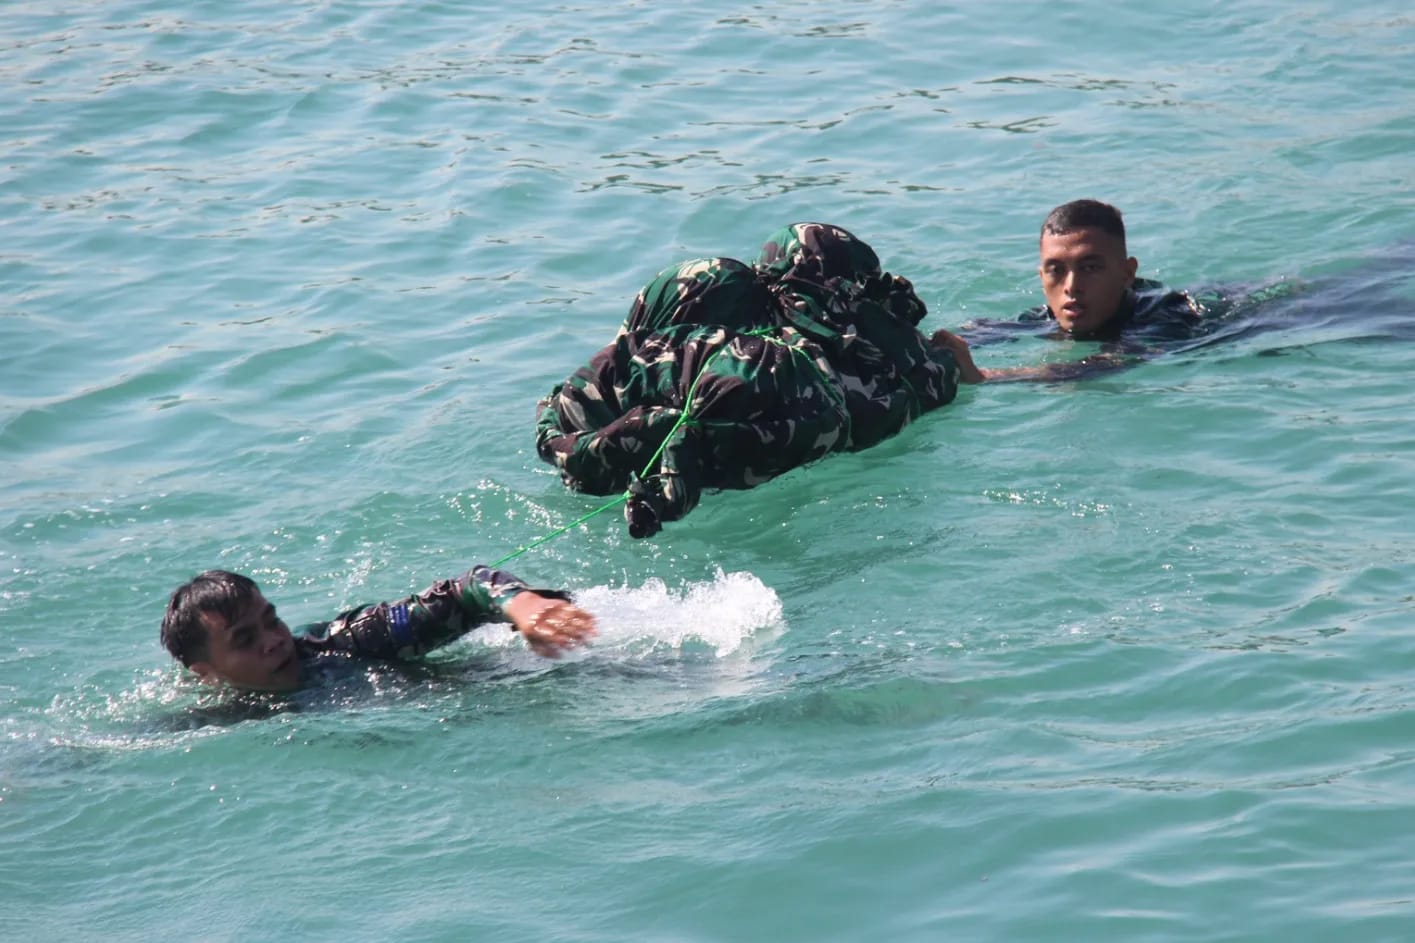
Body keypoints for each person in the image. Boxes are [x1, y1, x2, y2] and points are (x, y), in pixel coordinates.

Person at [536, 222, 981, 538]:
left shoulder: (709, 310)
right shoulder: (842, 360)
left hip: (602, 421)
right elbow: (921, 380)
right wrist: (970, 372)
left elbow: (620, 353)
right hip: (717, 441)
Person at [160, 564, 597, 693]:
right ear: (205, 673)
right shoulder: (211, 722)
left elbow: (465, 591)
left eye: (271, 620)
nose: (273, 641)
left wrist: (524, 605)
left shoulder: (346, 642)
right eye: (245, 640)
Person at [947, 199, 1210, 381]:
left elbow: (1102, 366)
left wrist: (986, 376)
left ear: (1127, 273)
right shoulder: (1043, 318)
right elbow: (976, 335)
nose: (1071, 287)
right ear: (1041, 277)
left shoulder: (1166, 318)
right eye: (1056, 270)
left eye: (1090, 268)